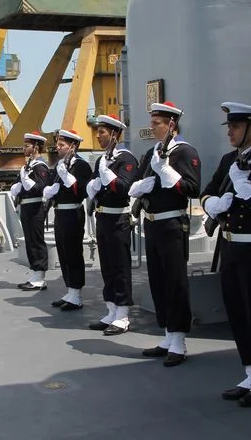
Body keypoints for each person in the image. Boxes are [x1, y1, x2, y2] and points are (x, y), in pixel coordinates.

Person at [201, 102, 251, 407]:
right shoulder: (228, 161)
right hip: (230, 246)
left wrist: (246, 190)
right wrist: (213, 204)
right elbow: (206, 190)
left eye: (235, 127)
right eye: (229, 127)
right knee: (236, 311)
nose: (230, 133)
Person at [128, 102, 201, 366]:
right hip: (152, 224)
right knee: (158, 281)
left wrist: (168, 172)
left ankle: (179, 341)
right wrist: (140, 186)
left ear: (171, 124)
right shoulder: (151, 153)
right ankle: (168, 335)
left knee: (175, 282)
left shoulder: (184, 152)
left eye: (156, 122)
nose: (152, 126)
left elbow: (193, 188)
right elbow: (138, 179)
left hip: (172, 224)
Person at [86, 114, 139, 335]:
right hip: (103, 218)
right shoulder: (101, 160)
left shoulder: (126, 159)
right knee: (106, 266)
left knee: (120, 267)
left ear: (115, 135)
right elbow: (94, 184)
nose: (98, 136)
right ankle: (111, 309)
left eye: (103, 132)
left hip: (119, 219)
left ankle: (123, 314)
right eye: (98, 132)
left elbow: (125, 188)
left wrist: (109, 177)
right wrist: (94, 186)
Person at [43, 129, 92, 309]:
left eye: (62, 145)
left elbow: (82, 191)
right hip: (60, 213)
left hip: (72, 213)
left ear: (73, 146)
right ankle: (70, 290)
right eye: (58, 144)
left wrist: (66, 177)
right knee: (63, 253)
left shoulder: (81, 166)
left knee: (73, 253)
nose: (58, 148)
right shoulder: (61, 164)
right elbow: (52, 185)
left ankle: (76, 294)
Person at [9, 132, 51, 291]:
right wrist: (17, 187)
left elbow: (42, 187)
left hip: (35, 207)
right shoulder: (28, 165)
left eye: (27, 146)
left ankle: (40, 277)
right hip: (26, 207)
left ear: (36, 147)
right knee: (30, 241)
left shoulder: (40, 166)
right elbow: (19, 185)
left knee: (36, 241)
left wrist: (27, 182)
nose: (24, 148)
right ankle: (35, 274)